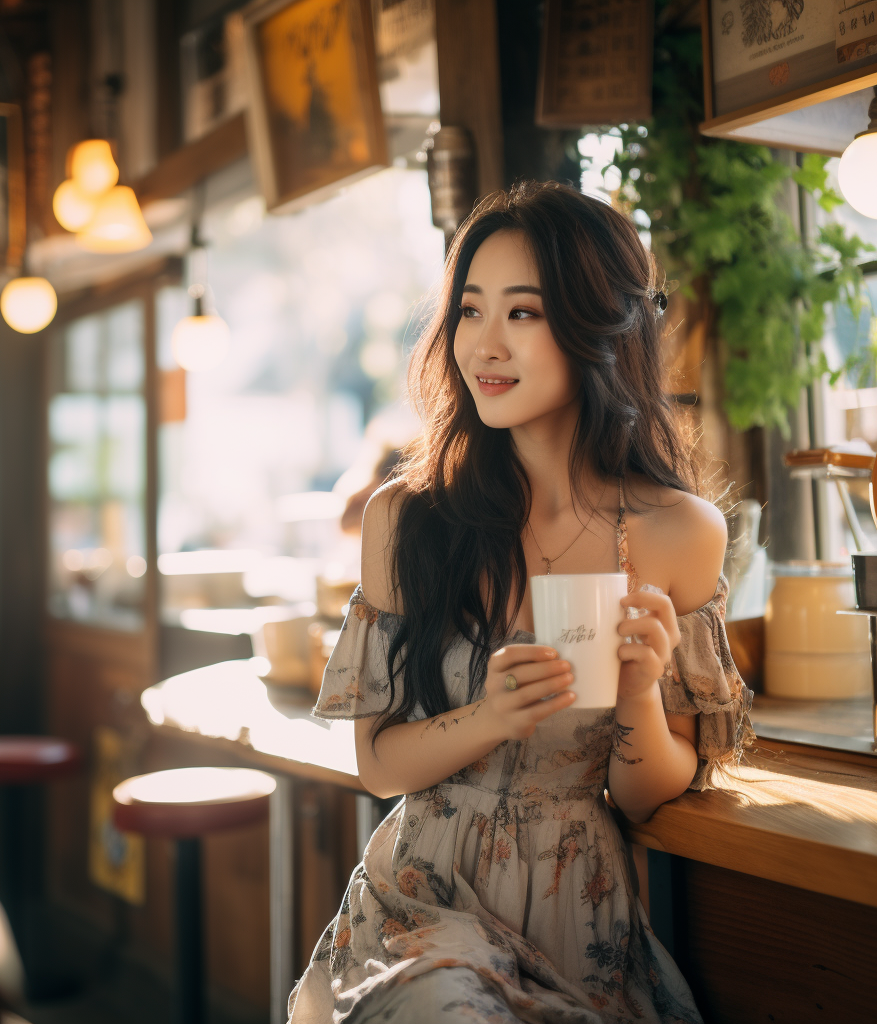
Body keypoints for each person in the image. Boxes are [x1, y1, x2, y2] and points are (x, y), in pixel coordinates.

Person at [288, 181, 753, 1023]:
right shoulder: (407, 519)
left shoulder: (679, 532)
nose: (484, 345)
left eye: (524, 313)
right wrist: (490, 716)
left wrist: (641, 692)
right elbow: (378, 763)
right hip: (420, 905)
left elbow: (648, 794)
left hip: (577, 908)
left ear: (597, 330)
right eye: (470, 311)